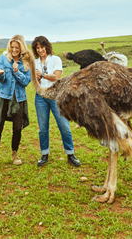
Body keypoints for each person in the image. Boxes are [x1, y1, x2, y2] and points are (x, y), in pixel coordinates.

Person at [0, 35, 32, 174]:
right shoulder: (2, 59)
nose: (14, 50)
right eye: (12, 47)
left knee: (17, 128)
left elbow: (26, 81)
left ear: (22, 47)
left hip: (19, 98)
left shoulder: (26, 62)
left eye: (17, 47)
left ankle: (14, 153)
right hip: (3, 97)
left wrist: (16, 72)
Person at [32, 35, 81, 167]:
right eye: (37, 48)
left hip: (56, 96)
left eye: (42, 47)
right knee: (43, 128)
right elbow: (33, 79)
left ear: (46, 47)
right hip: (41, 97)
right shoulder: (34, 62)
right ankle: (44, 154)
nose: (40, 50)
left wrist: (41, 74)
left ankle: (70, 154)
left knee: (64, 126)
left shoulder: (56, 59)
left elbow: (57, 77)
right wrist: (36, 78)